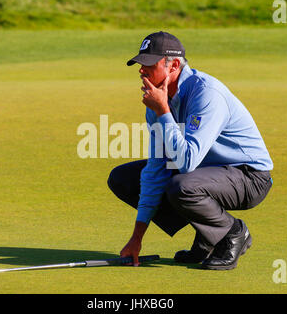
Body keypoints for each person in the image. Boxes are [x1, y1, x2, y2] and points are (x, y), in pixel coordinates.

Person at [107, 31, 273, 270]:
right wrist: (136, 239)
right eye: (140, 65)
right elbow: (155, 171)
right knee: (125, 179)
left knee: (182, 186)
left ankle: (233, 233)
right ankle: (208, 236)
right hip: (206, 173)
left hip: (249, 176)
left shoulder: (206, 93)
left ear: (173, 65)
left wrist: (163, 111)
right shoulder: (156, 102)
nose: (141, 71)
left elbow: (186, 163)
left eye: (148, 65)